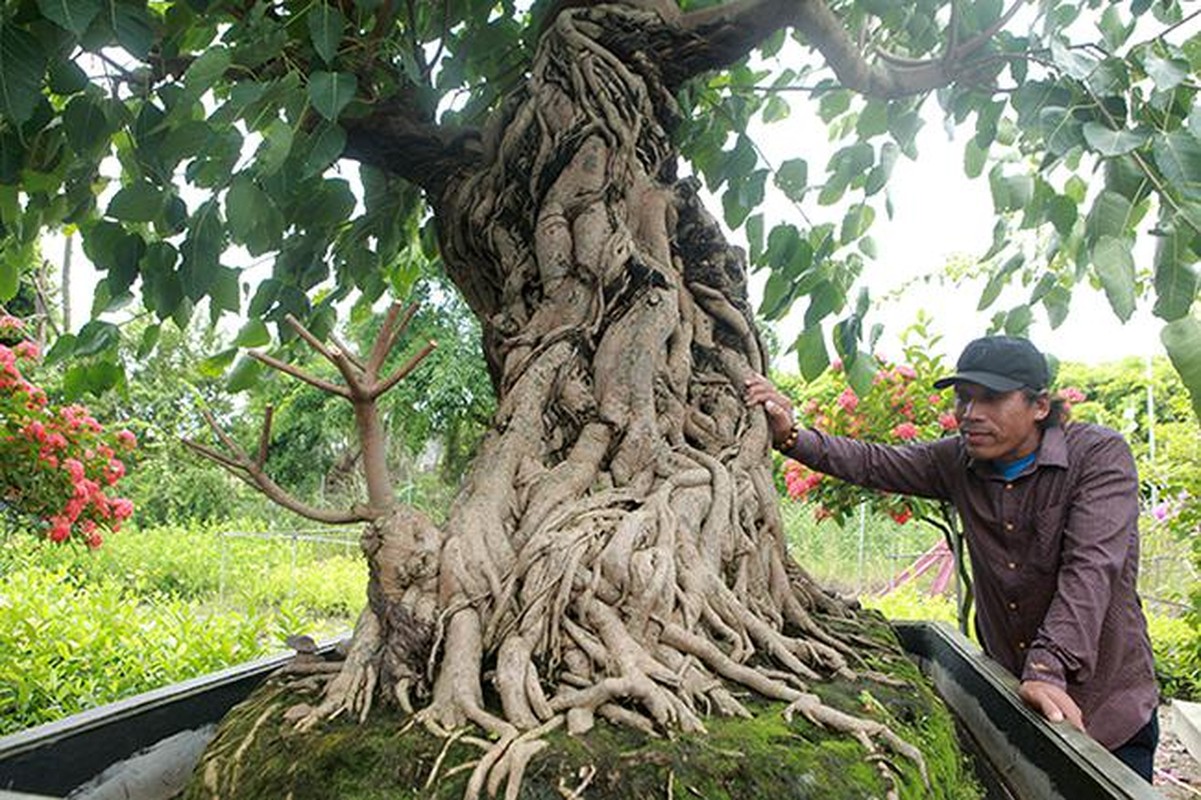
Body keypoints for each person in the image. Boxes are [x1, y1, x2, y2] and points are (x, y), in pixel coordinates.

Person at [745, 335, 1159, 781]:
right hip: (1016, 697)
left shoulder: (1097, 456)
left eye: (992, 399)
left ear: (1040, 406)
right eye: (964, 398)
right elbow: (874, 462)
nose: (970, 414)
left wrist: (1046, 666)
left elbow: (1091, 569)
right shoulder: (957, 461)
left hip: (1109, 707)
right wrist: (789, 434)